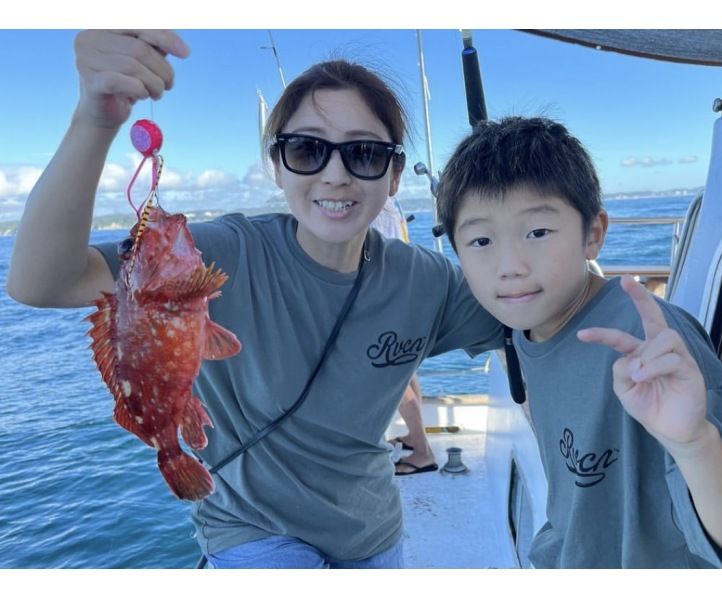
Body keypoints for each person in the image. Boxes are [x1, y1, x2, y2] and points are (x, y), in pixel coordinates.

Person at [6, 30, 503, 568]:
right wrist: (95, 120)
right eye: (307, 149)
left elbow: (530, 319)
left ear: (394, 174)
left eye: (364, 153)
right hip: (249, 529)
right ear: (277, 165)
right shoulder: (217, 252)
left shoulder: (425, 280)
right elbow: (42, 282)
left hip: (371, 529)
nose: (335, 174)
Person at [435, 116, 722, 568]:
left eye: (538, 232)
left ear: (593, 234)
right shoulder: (525, 324)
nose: (510, 265)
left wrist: (694, 442)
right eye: (481, 240)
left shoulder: (647, 340)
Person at [371, 197, 438, 475]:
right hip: (403, 297)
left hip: (383, 299)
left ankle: (422, 452)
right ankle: (416, 438)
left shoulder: (372, 209)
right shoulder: (389, 204)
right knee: (407, 371)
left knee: (391, 378)